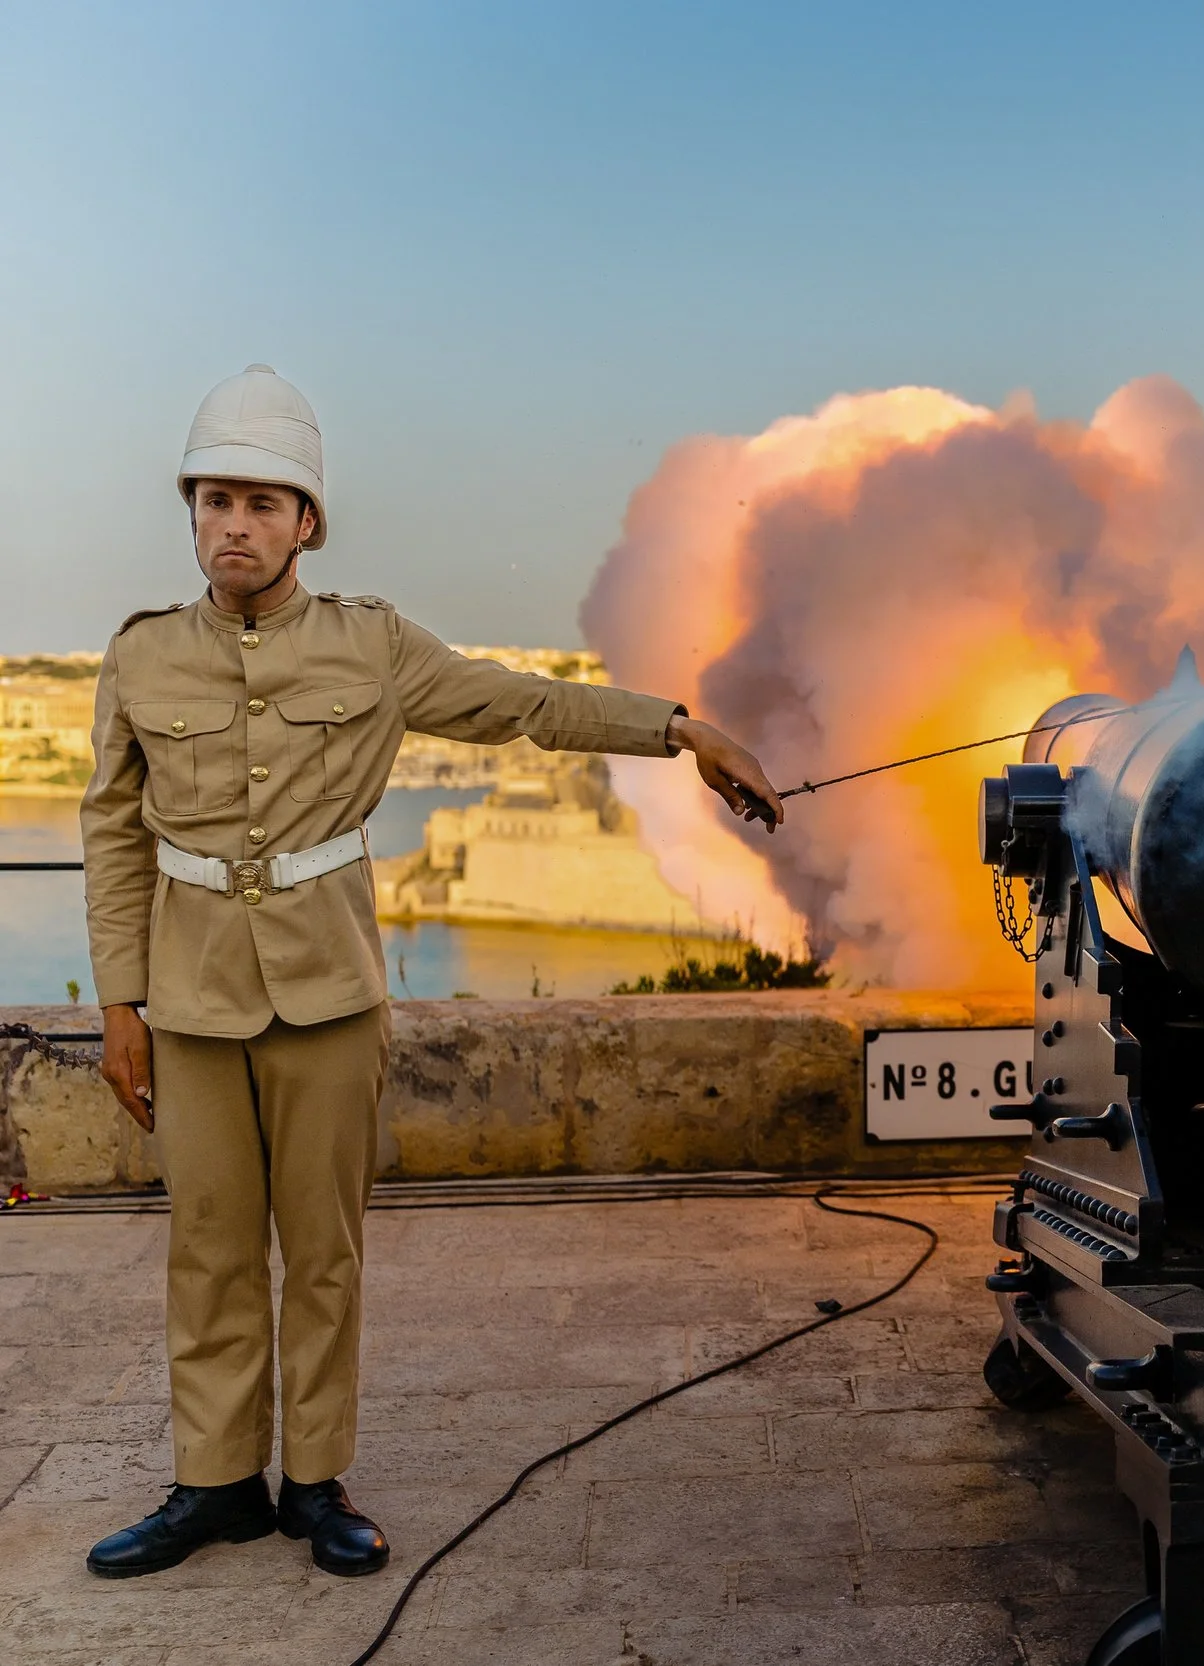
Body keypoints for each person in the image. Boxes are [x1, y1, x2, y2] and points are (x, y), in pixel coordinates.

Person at [81, 366, 783, 1577]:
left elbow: (525, 707)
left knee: (323, 1245)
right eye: (212, 502)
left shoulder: (373, 643)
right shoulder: (141, 658)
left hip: (328, 994)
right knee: (207, 1244)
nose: (232, 525)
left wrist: (682, 728)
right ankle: (212, 1485)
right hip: (190, 1000)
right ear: (190, 515)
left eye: (261, 502)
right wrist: (120, 1007)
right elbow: (110, 830)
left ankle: (312, 1482)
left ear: (308, 521)